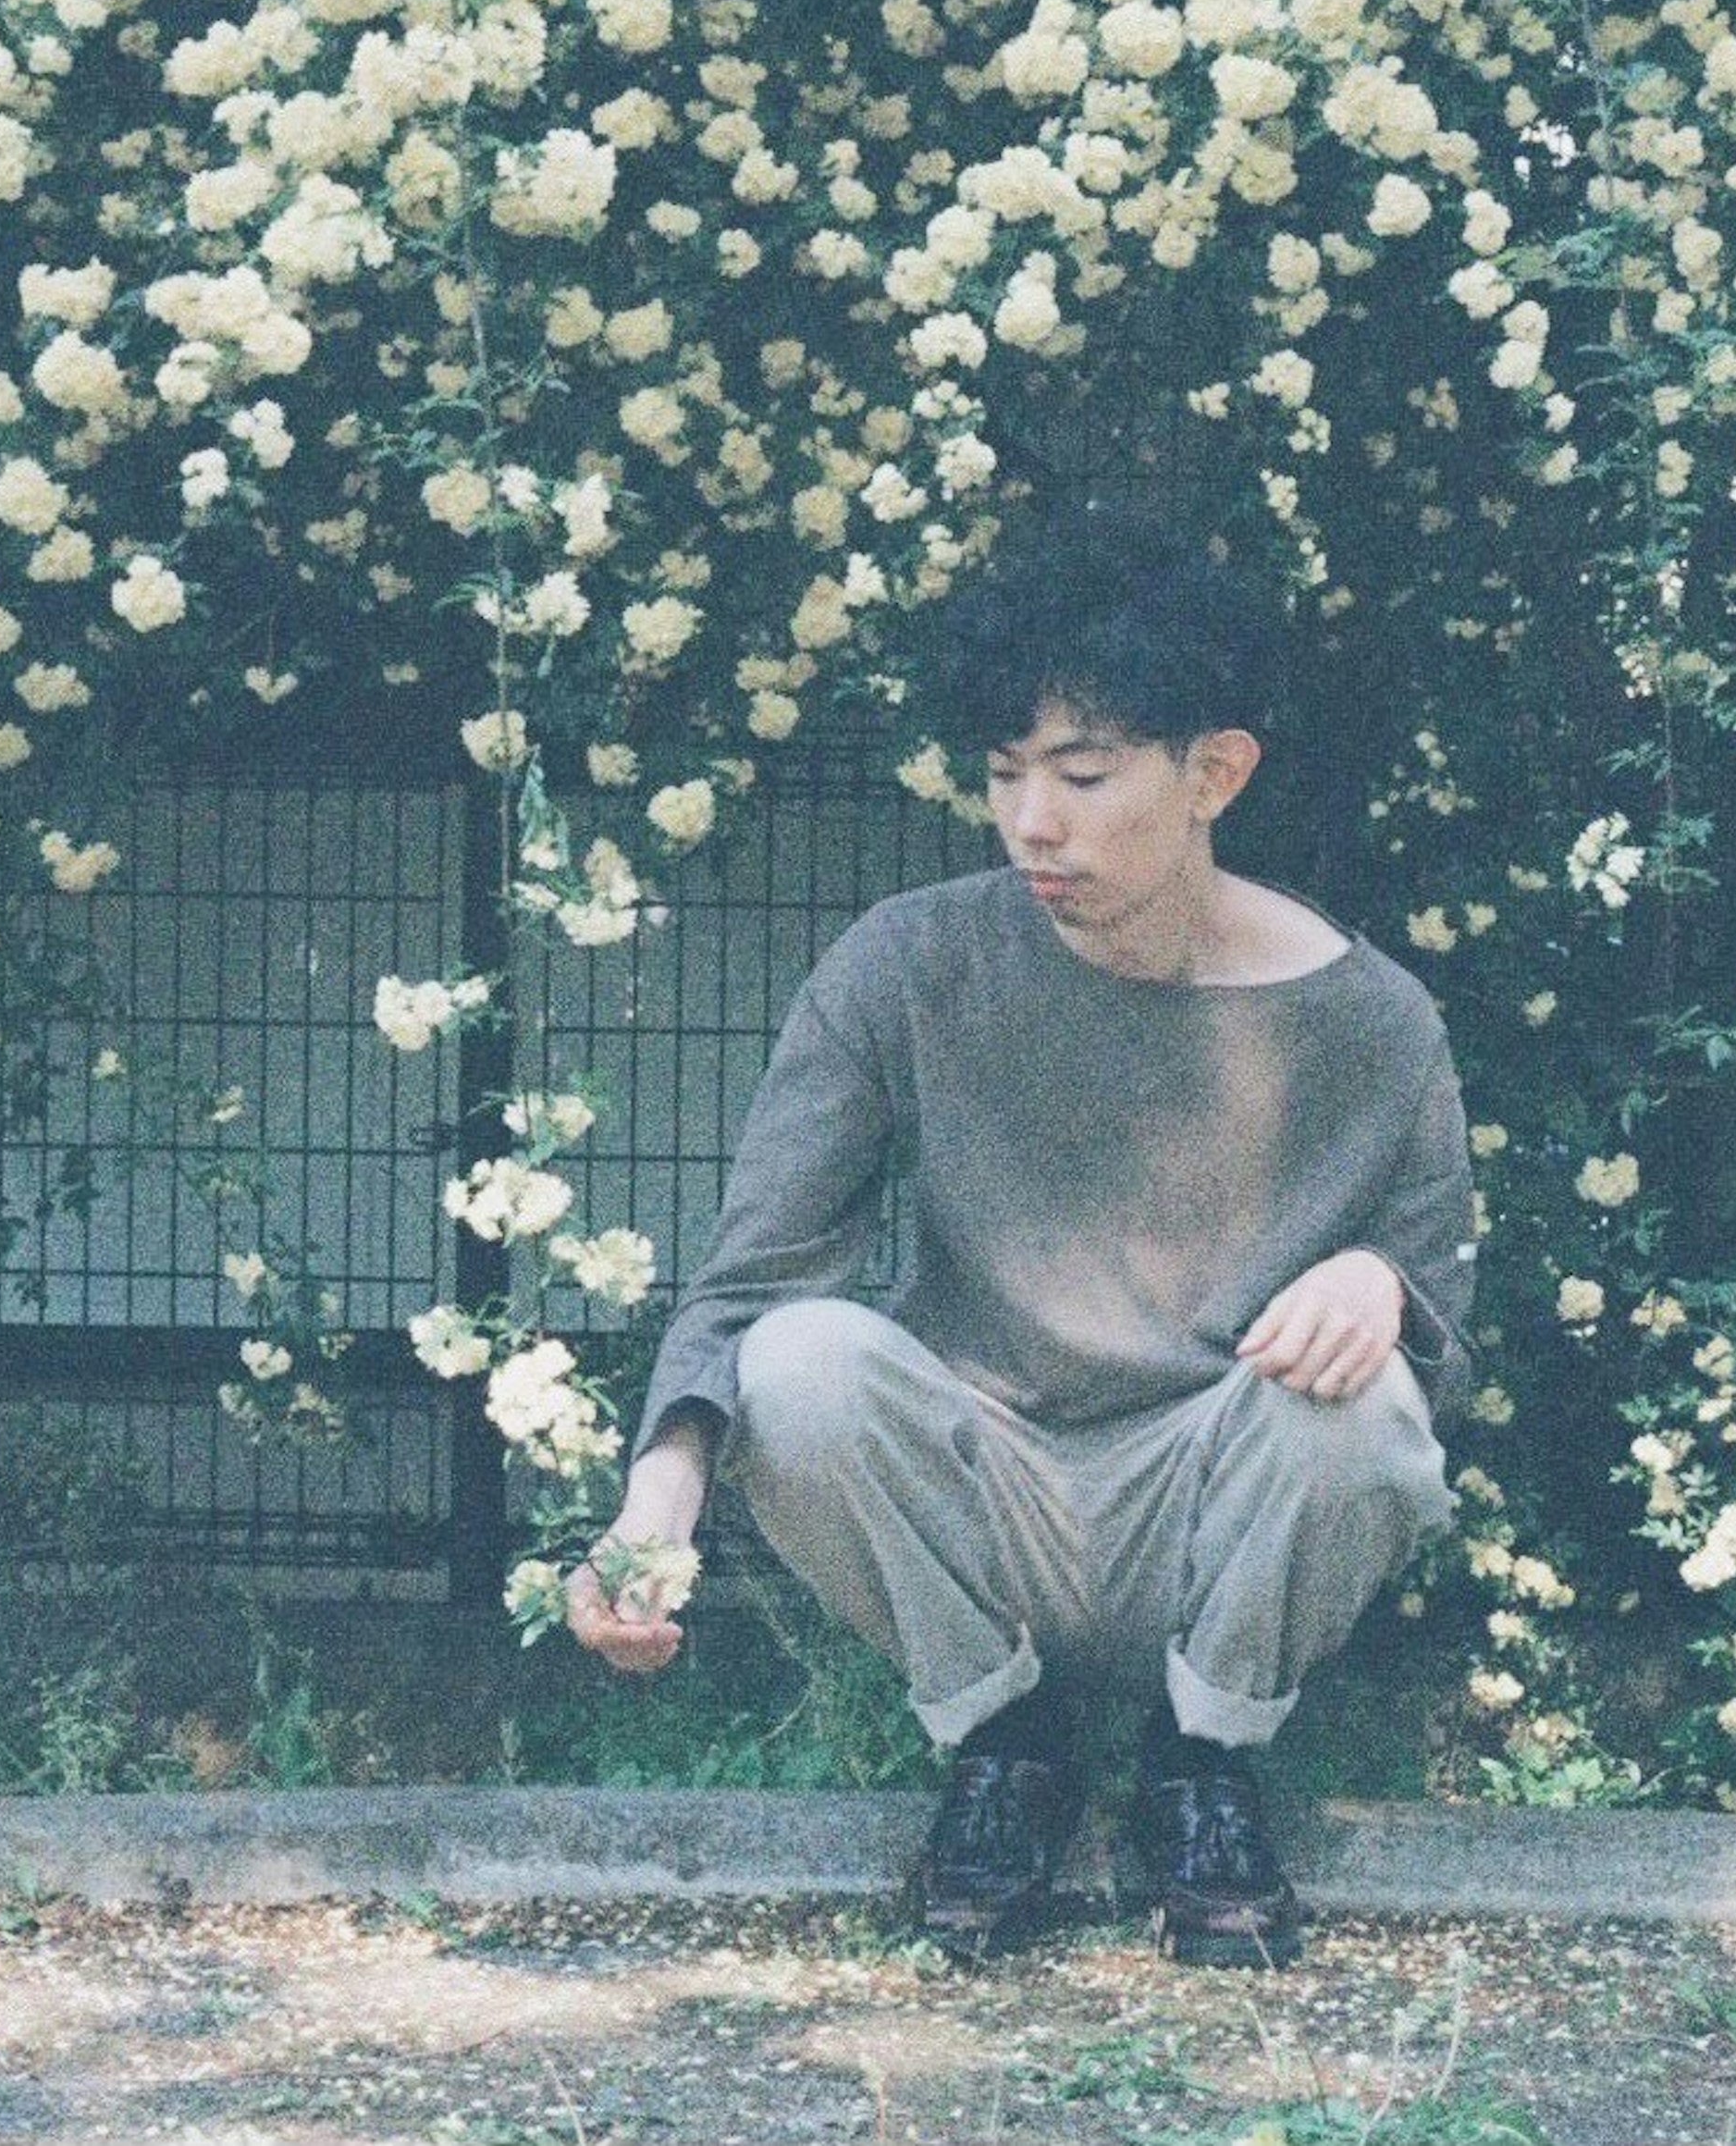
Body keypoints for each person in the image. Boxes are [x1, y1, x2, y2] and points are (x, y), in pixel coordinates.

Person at [563, 505, 1475, 1968]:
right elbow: (752, 1287)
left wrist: (1381, 1280)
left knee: (1364, 1397)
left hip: (1214, 1510)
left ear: (1213, 774)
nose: (1032, 823)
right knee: (800, 1363)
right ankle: (1009, 1752)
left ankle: (1204, 1765)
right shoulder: (907, 965)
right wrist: (655, 1507)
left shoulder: (1375, 1025)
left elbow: (1445, 1349)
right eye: (1003, 775)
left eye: (1084, 774)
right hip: (983, 1499)